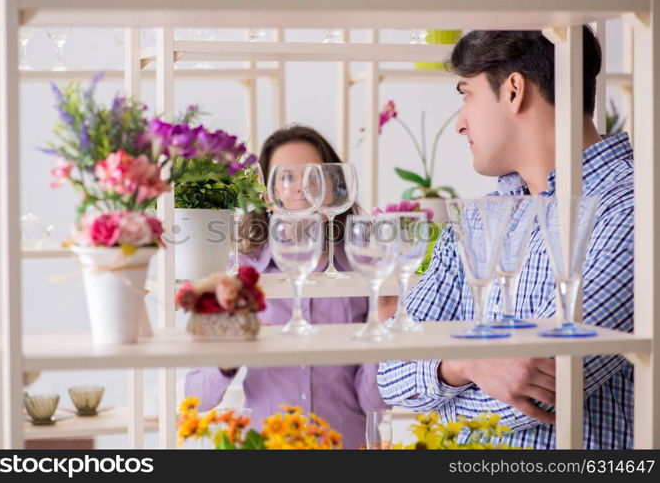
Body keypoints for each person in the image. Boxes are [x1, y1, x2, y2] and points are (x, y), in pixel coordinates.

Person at [378, 27, 634, 449]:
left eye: (467, 95)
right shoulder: (478, 219)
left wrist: (442, 400)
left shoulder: (631, 208)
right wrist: (468, 363)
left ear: (514, 90)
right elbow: (389, 369)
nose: (461, 123)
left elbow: (546, 390)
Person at [184, 124, 389, 449]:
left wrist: (385, 327)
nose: (300, 189)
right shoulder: (240, 273)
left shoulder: (364, 270)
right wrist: (227, 356)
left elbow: (376, 402)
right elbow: (197, 396)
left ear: (333, 187)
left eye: (313, 176)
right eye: (287, 177)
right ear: (268, 194)